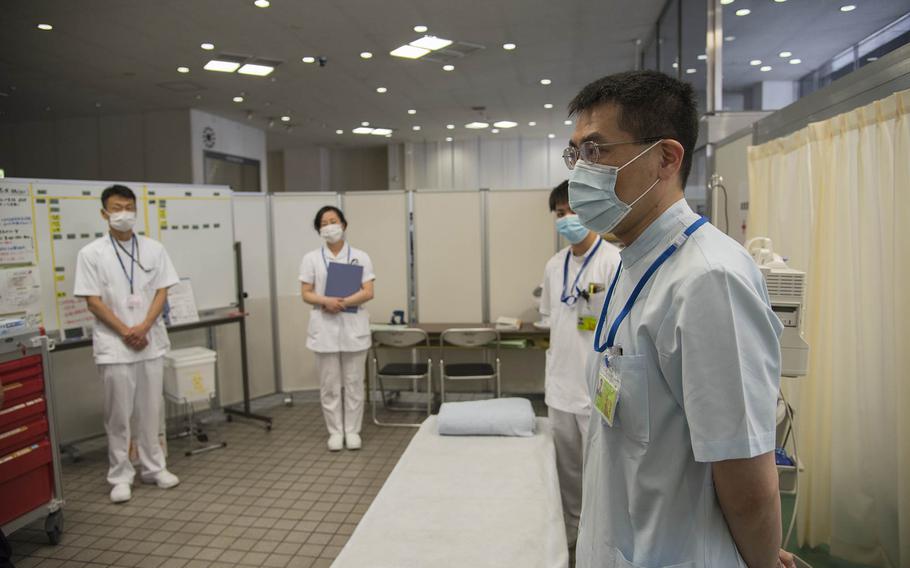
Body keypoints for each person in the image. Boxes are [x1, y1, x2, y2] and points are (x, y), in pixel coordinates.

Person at [565, 71, 796, 568]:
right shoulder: (635, 260)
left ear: (666, 158)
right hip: (619, 544)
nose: (580, 172)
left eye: (596, 150)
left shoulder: (708, 279)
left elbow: (747, 476)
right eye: (575, 153)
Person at [74, 185, 180, 504]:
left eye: (129, 207)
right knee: (118, 414)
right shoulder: (91, 254)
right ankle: (120, 475)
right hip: (115, 345)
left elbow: (162, 291)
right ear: (104, 213)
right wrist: (125, 331)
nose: (124, 213)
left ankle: (153, 467)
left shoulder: (153, 248)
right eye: (117, 207)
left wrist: (144, 326)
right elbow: (92, 301)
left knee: (151, 409)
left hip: (149, 341)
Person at [539, 181, 620, 552]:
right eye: (560, 213)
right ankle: (571, 538)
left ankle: (600, 543)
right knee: (567, 472)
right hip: (559, 386)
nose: (567, 218)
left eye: (573, 210)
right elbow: (551, 319)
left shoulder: (613, 261)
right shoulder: (554, 266)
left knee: (601, 475)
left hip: (596, 389)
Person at [299, 206, 375, 451]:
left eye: (333, 221)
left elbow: (368, 291)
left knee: (354, 382)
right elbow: (306, 294)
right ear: (319, 230)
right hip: (325, 328)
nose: (329, 226)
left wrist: (342, 303)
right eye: (324, 223)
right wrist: (326, 302)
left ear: (344, 224)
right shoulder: (311, 258)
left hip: (353, 326)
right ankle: (335, 432)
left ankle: (352, 431)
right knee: (329, 384)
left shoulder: (360, 256)